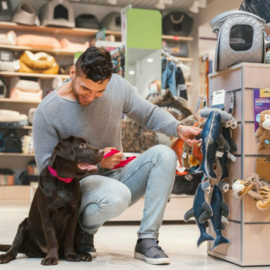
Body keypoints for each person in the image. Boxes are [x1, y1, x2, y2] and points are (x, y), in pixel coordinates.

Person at [33, 47, 201, 265]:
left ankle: (147, 239)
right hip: (77, 187)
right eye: (85, 89)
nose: (91, 97)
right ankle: (84, 232)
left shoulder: (118, 86)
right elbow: (48, 170)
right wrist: (96, 162)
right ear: (72, 72)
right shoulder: (48, 112)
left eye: (99, 92)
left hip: (118, 174)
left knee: (165, 155)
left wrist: (179, 128)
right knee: (117, 194)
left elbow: (148, 113)